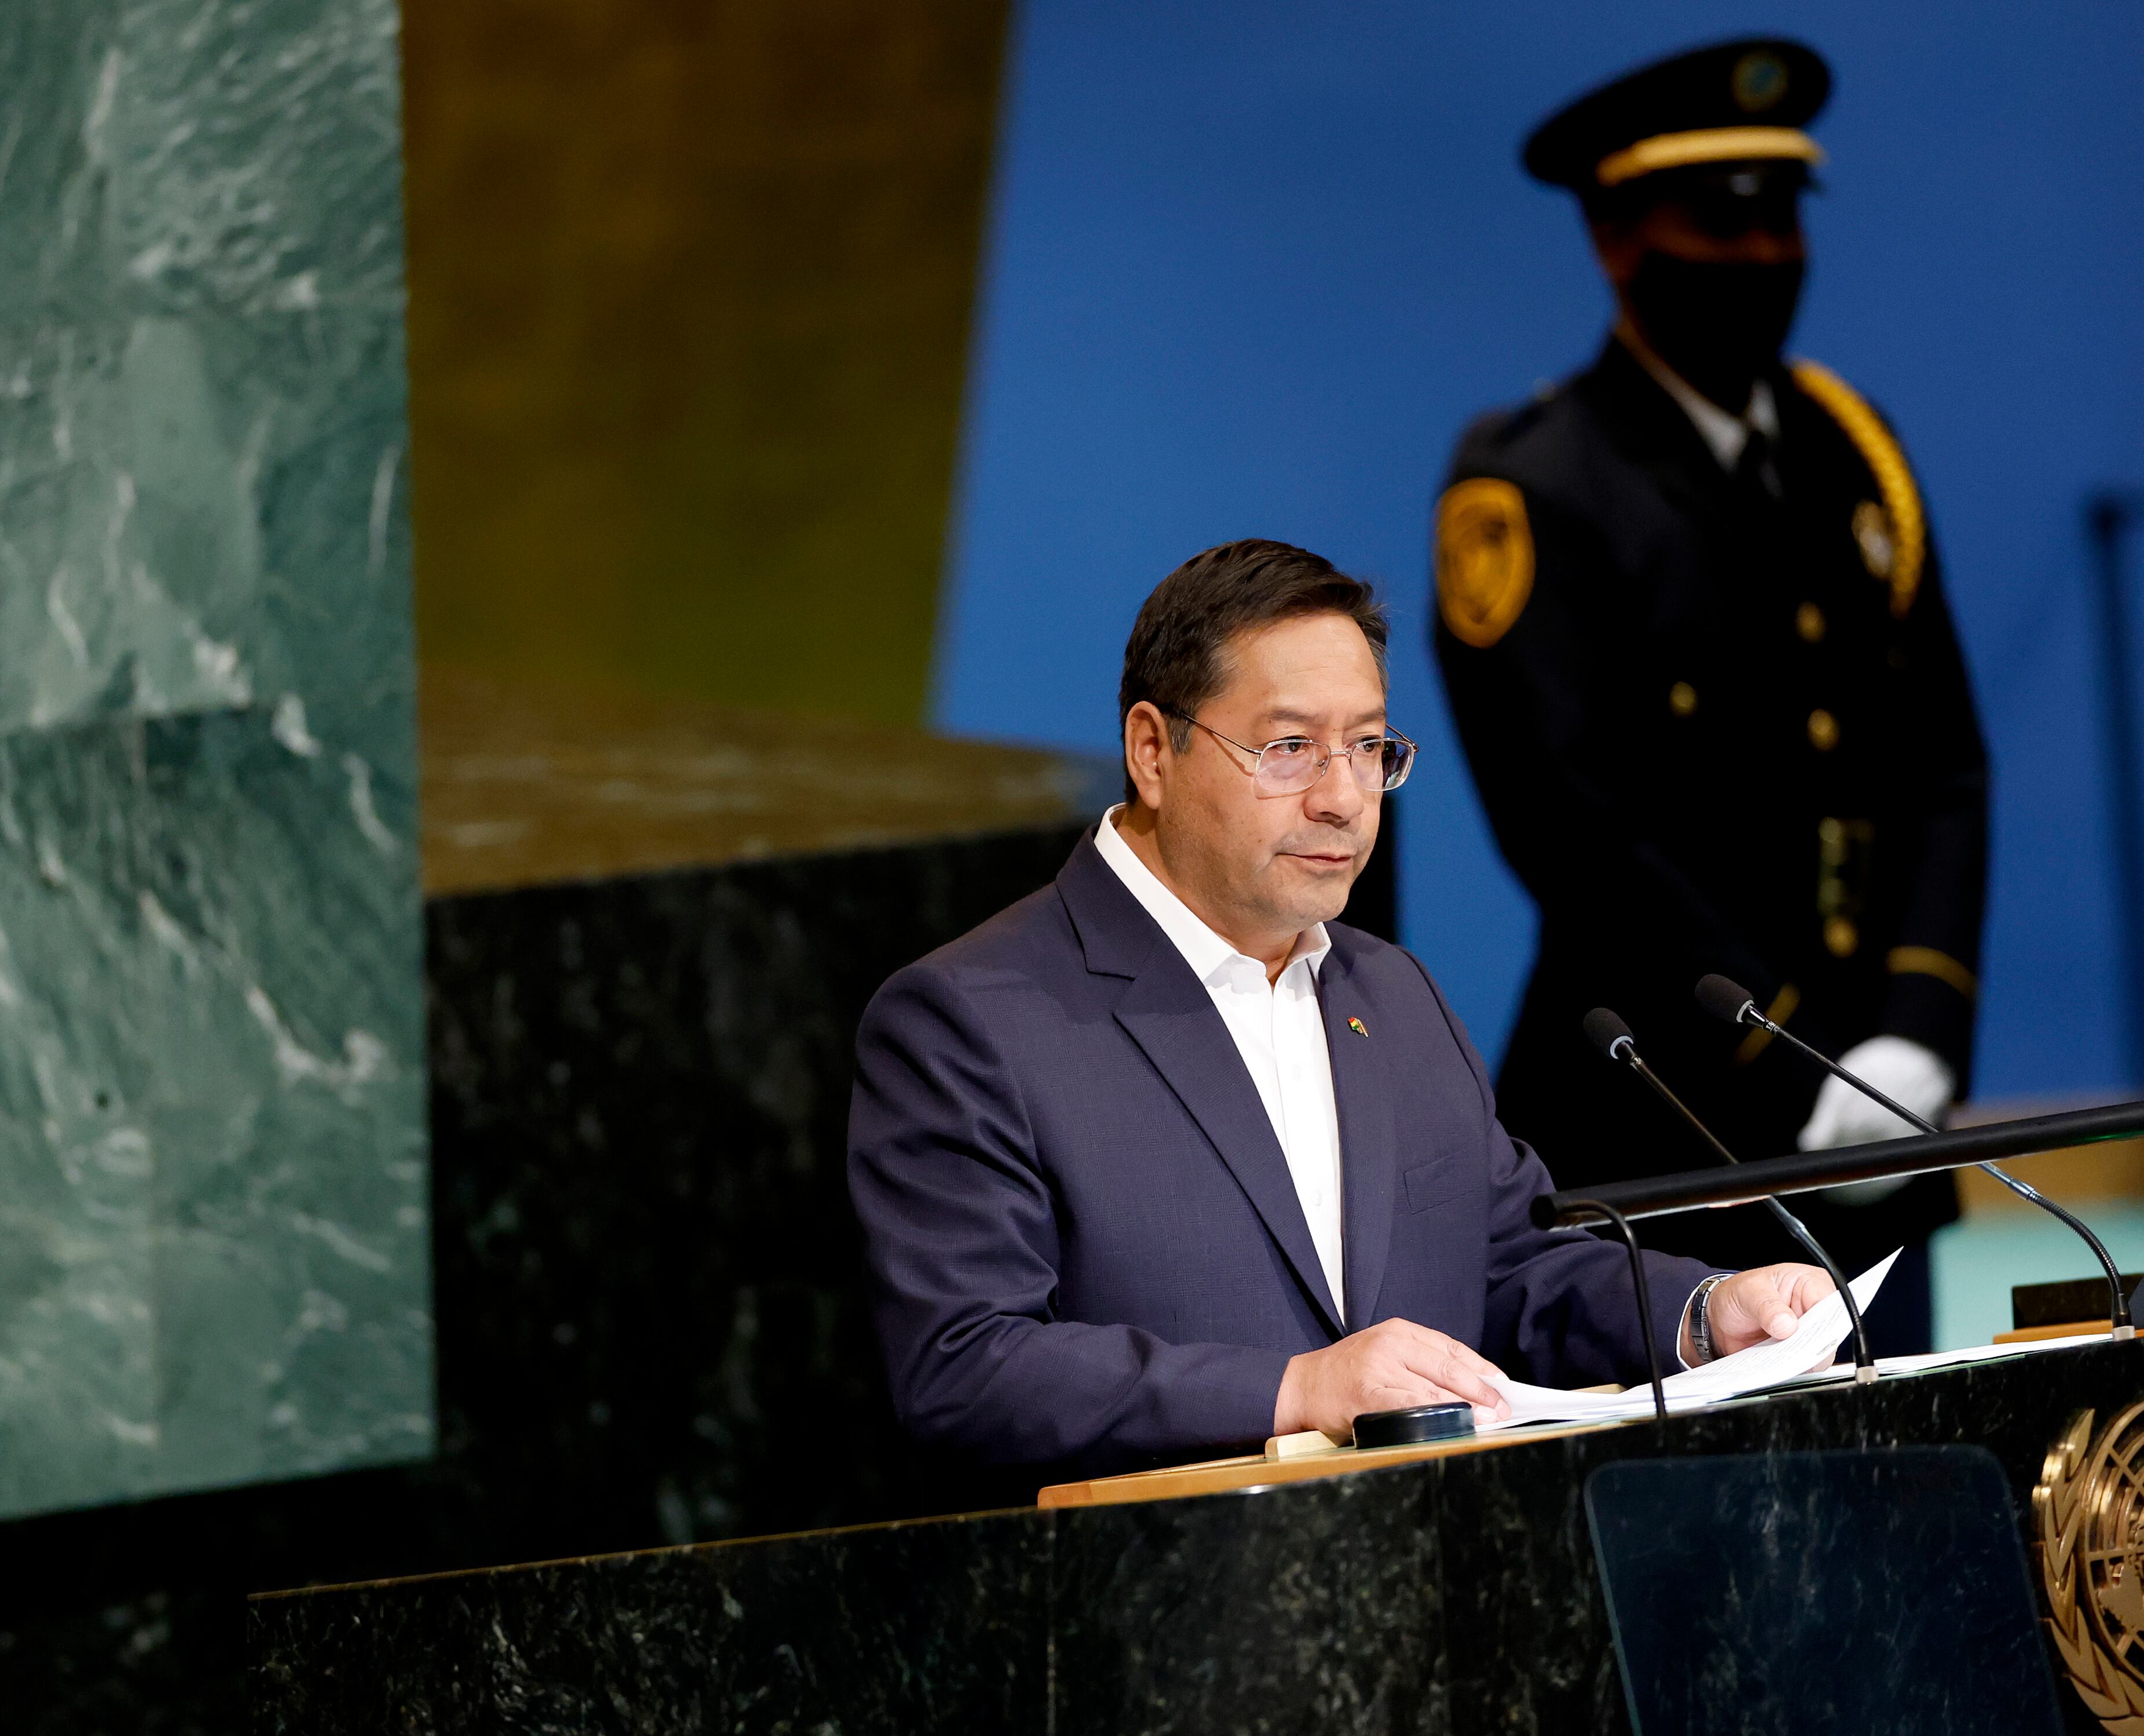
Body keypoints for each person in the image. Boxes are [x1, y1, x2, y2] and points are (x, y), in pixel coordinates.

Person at [849, 539, 1835, 1477]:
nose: (1343, 797)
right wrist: (1295, 1389)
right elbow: (964, 1368)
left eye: (1368, 748)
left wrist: (1703, 1314)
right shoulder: (970, 1022)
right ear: (1152, 751)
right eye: (1290, 747)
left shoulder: (1394, 996)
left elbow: (1507, 1272)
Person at [1427, 38, 1989, 1355]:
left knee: (1908, 1481)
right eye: (1718, 224)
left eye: (1782, 220)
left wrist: (1917, 1029)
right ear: (1617, 239)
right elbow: (1571, 827)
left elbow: (1943, 766)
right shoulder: (1532, 486)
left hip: (1878, 1118)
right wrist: (1796, 1050)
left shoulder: (1854, 451)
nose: (1760, 256)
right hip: (1666, 1128)